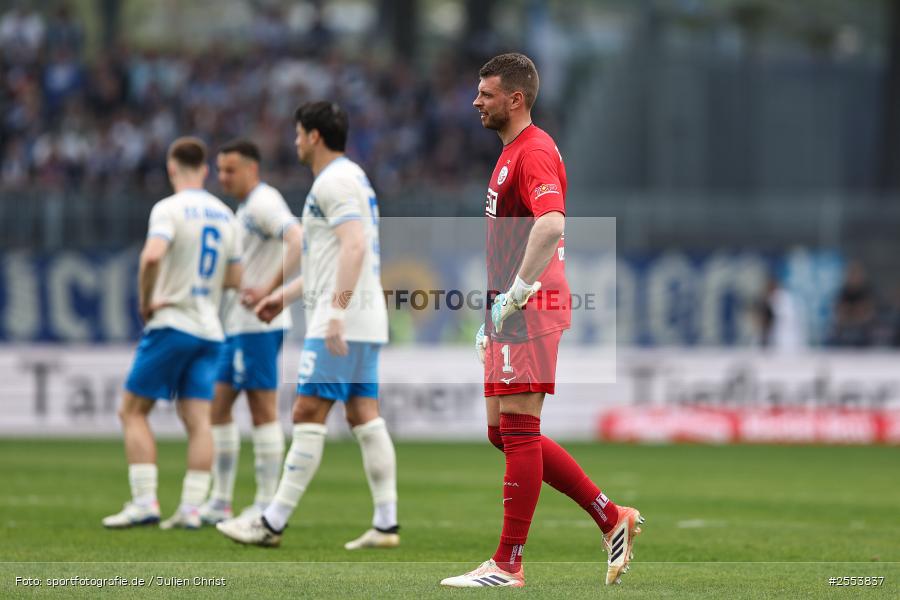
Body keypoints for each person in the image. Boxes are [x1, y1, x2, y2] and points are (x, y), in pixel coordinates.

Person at [440, 53, 643, 589]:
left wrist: (516, 294)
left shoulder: (533, 151)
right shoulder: (512, 153)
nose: (476, 102)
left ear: (516, 98)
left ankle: (508, 563)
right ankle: (609, 515)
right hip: (510, 309)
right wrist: (495, 308)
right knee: (499, 432)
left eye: (486, 94)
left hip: (531, 306)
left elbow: (551, 225)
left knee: (520, 430)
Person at [216, 101, 399, 550]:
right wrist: (283, 294)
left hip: (343, 318)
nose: (295, 141)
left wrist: (334, 311)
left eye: (298, 133)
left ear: (314, 135)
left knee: (305, 413)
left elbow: (353, 246)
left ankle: (271, 522)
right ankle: (386, 523)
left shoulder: (333, 181)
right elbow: (329, 258)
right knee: (362, 415)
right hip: (365, 316)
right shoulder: (353, 177)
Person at [102, 137, 242, 530]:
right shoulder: (224, 214)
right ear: (206, 170)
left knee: (132, 410)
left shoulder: (168, 208)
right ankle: (193, 508)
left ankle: (145, 501)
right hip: (209, 330)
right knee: (199, 419)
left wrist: (148, 300)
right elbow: (235, 277)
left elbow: (151, 256)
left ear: (171, 168)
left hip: (173, 323)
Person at [198, 139, 302, 525]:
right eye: (220, 169)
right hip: (237, 326)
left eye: (230, 170)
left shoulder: (263, 202)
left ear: (251, 169)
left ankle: (263, 503)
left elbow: (296, 238)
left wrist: (271, 288)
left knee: (261, 410)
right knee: (219, 406)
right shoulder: (246, 208)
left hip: (258, 325)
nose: (223, 177)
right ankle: (221, 500)